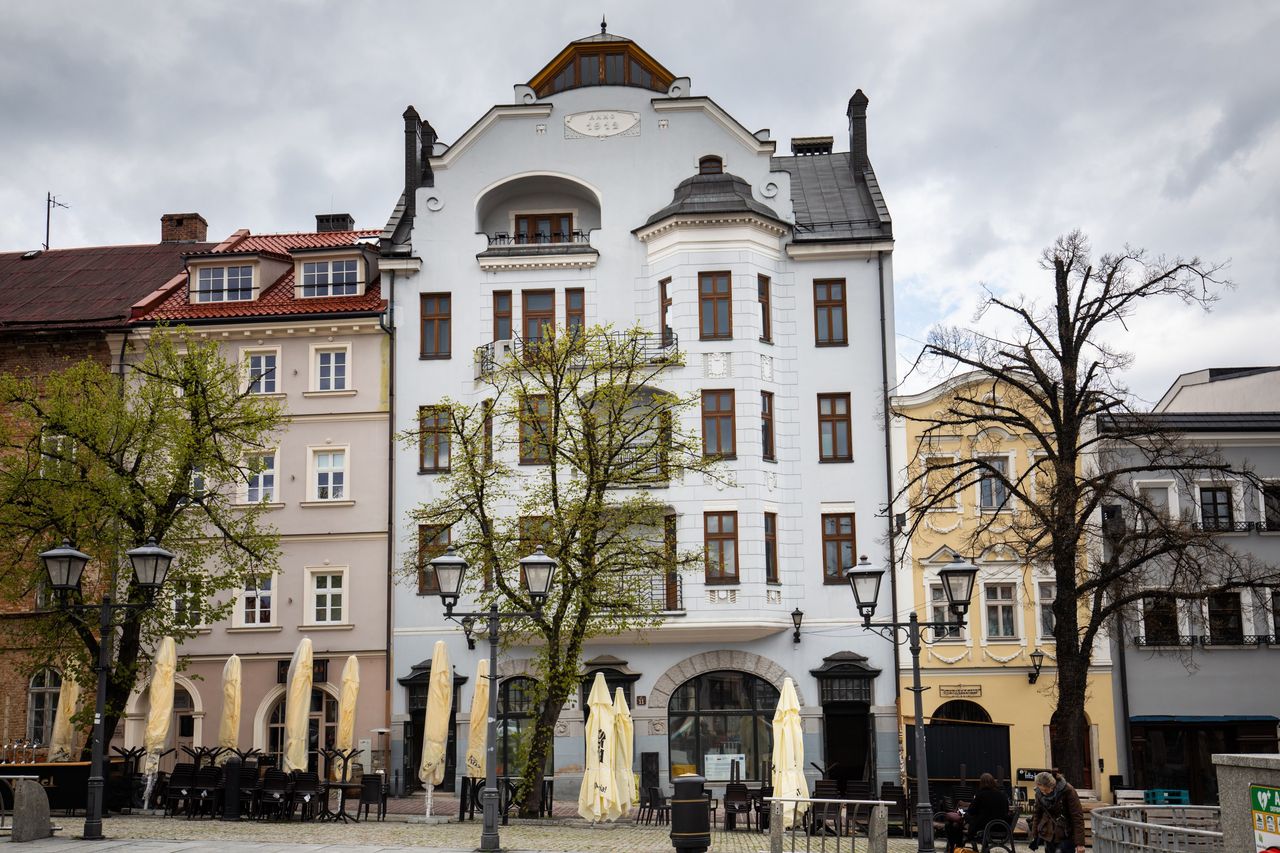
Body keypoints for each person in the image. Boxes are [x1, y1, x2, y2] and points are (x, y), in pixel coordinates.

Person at [1028, 771, 1086, 853]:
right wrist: (1035, 835)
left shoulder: (1068, 790)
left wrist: (1080, 843)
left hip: (1065, 834)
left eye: (1045, 790)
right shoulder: (1039, 793)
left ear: (1052, 787)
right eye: (1041, 790)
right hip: (1048, 834)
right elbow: (1037, 813)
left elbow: (1077, 816)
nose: (1043, 793)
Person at [964, 773, 1011, 844]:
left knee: (965, 816)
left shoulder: (980, 795)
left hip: (985, 827)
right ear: (993, 782)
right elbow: (1006, 811)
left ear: (981, 783)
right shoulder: (1002, 795)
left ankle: (965, 839)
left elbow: (971, 811)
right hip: (1001, 827)